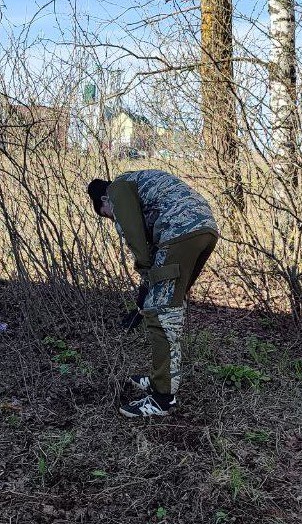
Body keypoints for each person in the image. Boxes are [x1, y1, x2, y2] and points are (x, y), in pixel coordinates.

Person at [87, 170, 219, 418]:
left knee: (160, 315)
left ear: (103, 201)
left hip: (178, 232)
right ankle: (163, 377)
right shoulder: (141, 184)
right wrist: (144, 295)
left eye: (106, 216)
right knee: (169, 307)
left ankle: (162, 398)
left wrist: (145, 269)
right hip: (205, 229)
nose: (111, 219)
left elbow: (134, 232)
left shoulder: (117, 189)